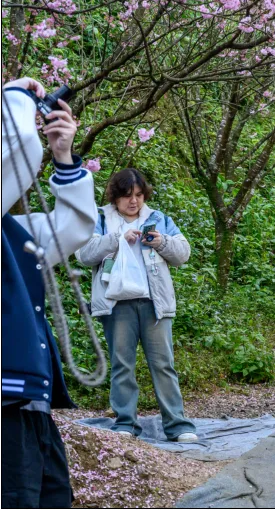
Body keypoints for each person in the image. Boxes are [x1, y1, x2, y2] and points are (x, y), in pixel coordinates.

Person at [2, 78, 98, 508]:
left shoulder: (12, 231)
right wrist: (17, 94)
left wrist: (62, 154)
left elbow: (73, 227)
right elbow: (19, 150)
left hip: (28, 404)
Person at [76, 168, 198, 442]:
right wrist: (117, 239)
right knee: (122, 364)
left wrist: (162, 242)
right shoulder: (100, 219)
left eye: (139, 195)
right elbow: (83, 254)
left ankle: (178, 426)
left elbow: (183, 254)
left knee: (163, 364)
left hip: (154, 303)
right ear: (115, 197)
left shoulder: (157, 218)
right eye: (128, 196)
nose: (134, 201)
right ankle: (126, 424)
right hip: (116, 304)